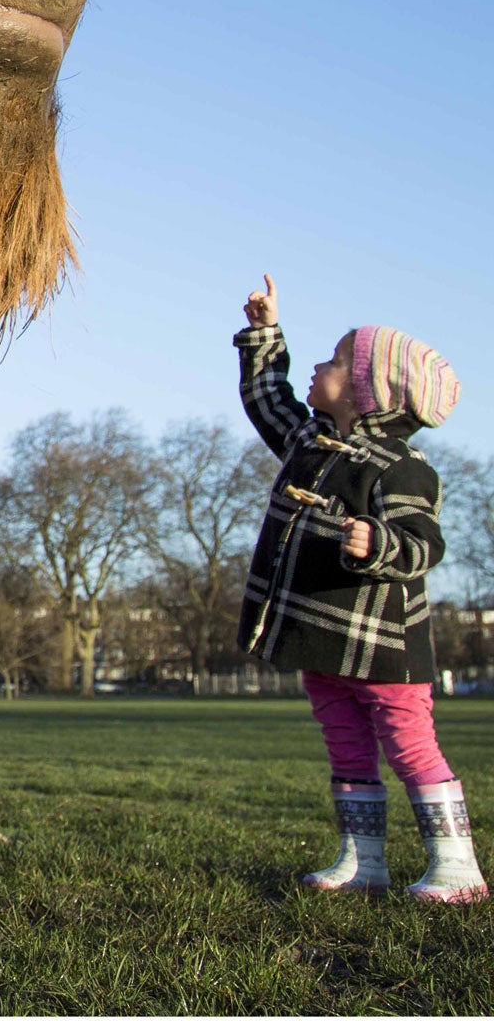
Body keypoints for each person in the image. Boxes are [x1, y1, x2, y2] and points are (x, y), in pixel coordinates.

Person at [235, 274, 484, 901]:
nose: (321, 363)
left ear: (370, 392)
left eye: (339, 358)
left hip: (383, 646)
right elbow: (269, 401)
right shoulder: (311, 441)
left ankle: (457, 867)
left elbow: (425, 542)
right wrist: (265, 334)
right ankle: (362, 861)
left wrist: (380, 543)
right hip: (321, 637)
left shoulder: (402, 468)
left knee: (409, 744)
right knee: (345, 743)